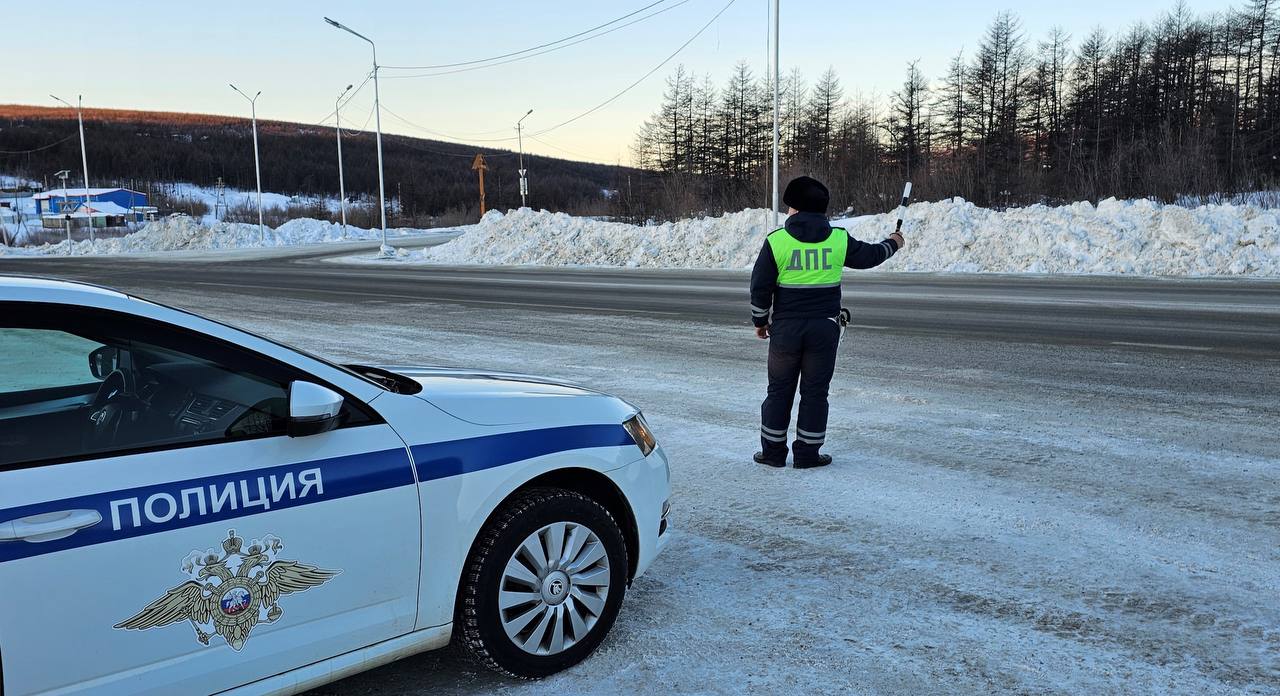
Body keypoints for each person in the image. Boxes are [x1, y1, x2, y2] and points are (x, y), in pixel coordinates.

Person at [750, 176, 904, 468]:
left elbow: (760, 286)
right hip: (824, 329)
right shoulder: (838, 239)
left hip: (786, 329)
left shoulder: (776, 241)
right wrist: (893, 243)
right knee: (815, 392)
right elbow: (871, 256)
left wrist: (760, 320)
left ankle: (772, 454)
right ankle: (807, 454)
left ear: (795, 209)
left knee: (779, 391)